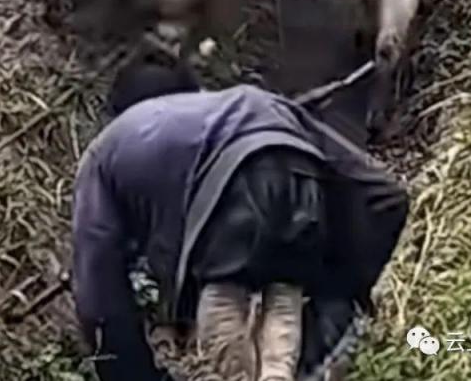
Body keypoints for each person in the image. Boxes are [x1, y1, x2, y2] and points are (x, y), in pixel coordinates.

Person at [70, 60, 409, 381]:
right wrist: (344, 286)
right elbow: (384, 195)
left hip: (232, 193)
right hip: (302, 183)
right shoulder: (254, 101)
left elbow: (99, 290)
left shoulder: (107, 148)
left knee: (225, 304)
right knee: (283, 296)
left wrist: (134, 375)